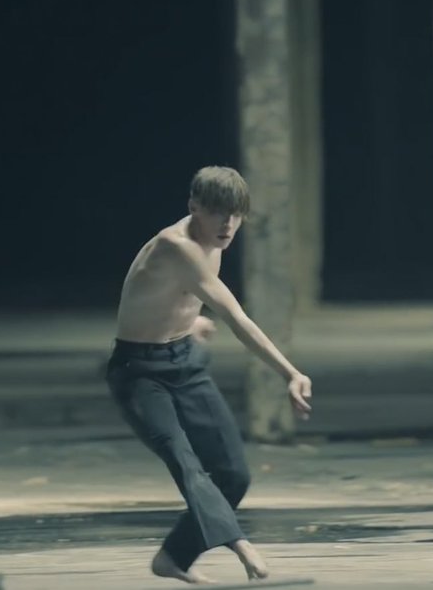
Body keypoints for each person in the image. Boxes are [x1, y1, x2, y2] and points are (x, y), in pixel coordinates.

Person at [107, 165, 313, 584]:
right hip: (139, 372)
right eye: (218, 213)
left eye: (236, 214)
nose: (228, 224)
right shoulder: (175, 245)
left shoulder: (215, 241)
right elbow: (237, 319)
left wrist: (188, 323)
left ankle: (173, 559)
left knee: (234, 474)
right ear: (193, 207)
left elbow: (174, 294)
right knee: (186, 462)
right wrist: (289, 373)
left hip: (184, 360)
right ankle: (241, 547)